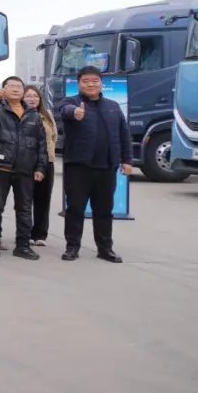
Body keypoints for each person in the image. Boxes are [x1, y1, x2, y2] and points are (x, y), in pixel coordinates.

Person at [57, 65, 132, 263]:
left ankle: (105, 249)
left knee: (104, 211)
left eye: (95, 81)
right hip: (78, 168)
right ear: (79, 84)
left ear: (101, 83)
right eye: (86, 81)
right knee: (75, 209)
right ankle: (72, 247)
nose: (90, 84)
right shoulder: (72, 101)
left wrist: (127, 160)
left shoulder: (113, 106)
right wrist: (75, 112)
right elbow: (64, 111)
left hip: (107, 167)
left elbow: (124, 134)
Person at [0, 76, 48, 260]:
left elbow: (41, 143)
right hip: (0, 167)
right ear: (3, 90)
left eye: (19, 86)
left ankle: (23, 246)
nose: (16, 89)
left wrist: (40, 168)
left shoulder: (33, 114)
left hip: (25, 169)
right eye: (11, 86)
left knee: (24, 209)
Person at [24, 85, 58, 246]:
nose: (32, 99)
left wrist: (49, 153)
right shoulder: (20, 114)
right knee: (25, 200)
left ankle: (40, 234)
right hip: (27, 163)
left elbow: (54, 136)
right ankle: (25, 233)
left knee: (43, 200)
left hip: (47, 162)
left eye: (35, 96)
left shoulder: (47, 114)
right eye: (28, 96)